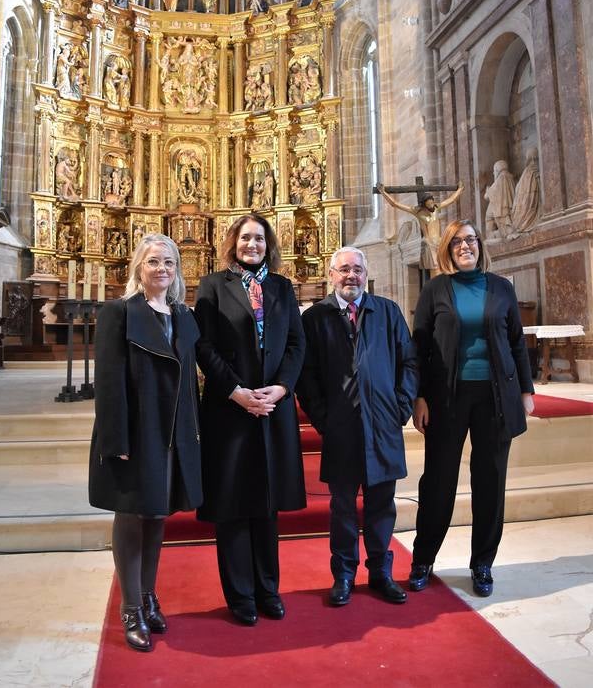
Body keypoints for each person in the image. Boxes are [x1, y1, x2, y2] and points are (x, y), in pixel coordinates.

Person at [88, 234, 203, 651]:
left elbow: (190, 380)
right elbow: (108, 381)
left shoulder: (183, 316)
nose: (162, 269)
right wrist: (116, 438)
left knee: (157, 516)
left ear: (177, 271)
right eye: (154, 261)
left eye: (169, 263)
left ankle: (150, 595)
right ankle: (131, 608)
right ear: (139, 267)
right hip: (137, 433)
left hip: (172, 433)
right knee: (131, 516)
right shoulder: (119, 312)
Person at [409, 219, 535, 597]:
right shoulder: (435, 289)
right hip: (448, 396)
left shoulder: (500, 288)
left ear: (480, 245)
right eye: (457, 242)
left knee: (490, 481)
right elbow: (420, 347)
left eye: (471, 240)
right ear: (447, 250)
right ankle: (423, 559)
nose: (466, 247)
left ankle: (482, 563)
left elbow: (516, 341)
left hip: (496, 396)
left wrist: (526, 390)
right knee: (438, 481)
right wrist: (419, 396)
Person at [194, 214, 306, 626]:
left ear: (268, 243)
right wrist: (237, 392)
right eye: (245, 238)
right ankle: (240, 594)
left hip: (272, 408)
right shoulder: (212, 286)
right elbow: (203, 345)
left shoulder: (282, 286)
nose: (252, 245)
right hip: (230, 409)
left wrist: (281, 388)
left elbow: (296, 342)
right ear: (233, 242)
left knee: (267, 504)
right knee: (233, 504)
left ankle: (267, 589)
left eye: (259, 238)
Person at [296, 246, 419, 607]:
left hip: (383, 423)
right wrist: (323, 417)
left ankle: (381, 573)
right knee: (344, 507)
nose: (351, 276)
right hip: (342, 427)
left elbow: (408, 362)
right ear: (331, 274)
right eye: (344, 269)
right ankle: (345, 575)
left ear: (366, 275)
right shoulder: (315, 317)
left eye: (358, 270)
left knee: (383, 505)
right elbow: (307, 373)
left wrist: (400, 407)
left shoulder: (388, 311)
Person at [376, 181, 464, 277]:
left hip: (439, 242)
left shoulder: (436, 208)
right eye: (429, 203)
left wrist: (459, 189)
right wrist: (383, 192)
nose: (431, 205)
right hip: (428, 243)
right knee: (435, 269)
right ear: (424, 204)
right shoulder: (417, 211)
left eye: (432, 201)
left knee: (446, 267)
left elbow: (451, 200)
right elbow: (395, 204)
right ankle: (436, 289)